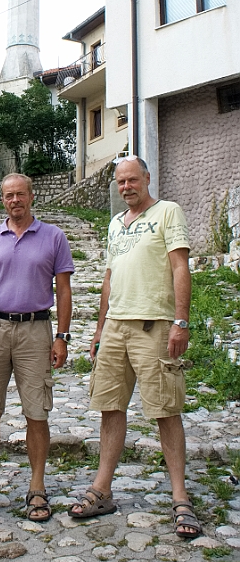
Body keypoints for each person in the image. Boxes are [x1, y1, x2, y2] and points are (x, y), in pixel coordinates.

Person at [69, 155, 201, 539]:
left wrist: (181, 321)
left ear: (147, 178)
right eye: (120, 182)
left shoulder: (167, 213)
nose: (126, 187)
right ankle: (102, 489)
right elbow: (109, 277)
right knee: (110, 407)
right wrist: (98, 329)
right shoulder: (114, 223)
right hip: (114, 328)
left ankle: (180, 498)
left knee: (165, 410)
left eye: (132, 180)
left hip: (154, 326)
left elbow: (180, 267)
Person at [0, 173, 73, 521]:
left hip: (36, 330)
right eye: (8, 195)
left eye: (20, 194)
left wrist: (62, 337)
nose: (15, 201)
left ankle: (37, 488)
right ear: (2, 199)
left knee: (36, 412)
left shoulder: (54, 237)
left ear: (31, 196)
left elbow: (65, 290)